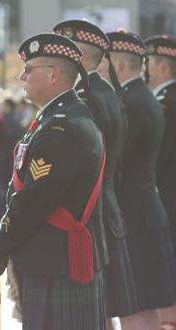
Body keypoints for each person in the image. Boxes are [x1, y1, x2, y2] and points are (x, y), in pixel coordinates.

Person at [0, 33, 108, 330]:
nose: (21, 76)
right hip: (53, 256)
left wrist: (0, 242)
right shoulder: (59, 117)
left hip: (55, 261)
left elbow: (34, 199)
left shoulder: (60, 127)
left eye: (29, 69)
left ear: (54, 74)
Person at [53, 20, 139, 328]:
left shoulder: (86, 97)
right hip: (104, 208)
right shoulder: (105, 91)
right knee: (100, 314)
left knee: (91, 316)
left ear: (75, 56)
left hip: (90, 213)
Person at [102, 29, 176, 330]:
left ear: (118, 66)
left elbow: (116, 163)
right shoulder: (140, 98)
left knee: (134, 308)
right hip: (144, 210)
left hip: (134, 213)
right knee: (144, 306)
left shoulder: (133, 102)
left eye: (102, 63)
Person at [145, 34, 176, 330]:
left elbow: (153, 162)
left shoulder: (165, 104)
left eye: (149, 63)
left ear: (163, 67)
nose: (146, 70)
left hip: (167, 203)